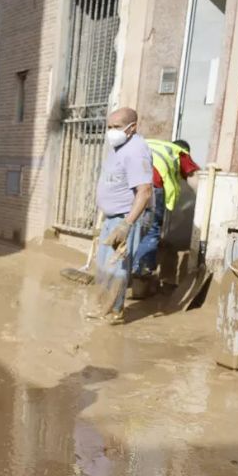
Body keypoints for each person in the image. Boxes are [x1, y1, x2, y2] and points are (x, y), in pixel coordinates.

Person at [91, 107, 154, 322]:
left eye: (116, 127)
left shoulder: (136, 150)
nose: (111, 131)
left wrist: (126, 225)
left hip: (125, 219)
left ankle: (113, 314)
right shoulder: (118, 147)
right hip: (112, 218)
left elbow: (144, 192)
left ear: (132, 127)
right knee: (103, 267)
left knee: (116, 269)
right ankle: (103, 307)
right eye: (109, 127)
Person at [131, 138, 200, 284]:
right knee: (151, 230)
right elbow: (195, 180)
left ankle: (122, 272)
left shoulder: (153, 146)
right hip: (151, 189)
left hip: (128, 187)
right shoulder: (180, 152)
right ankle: (141, 272)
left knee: (130, 226)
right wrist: (202, 201)